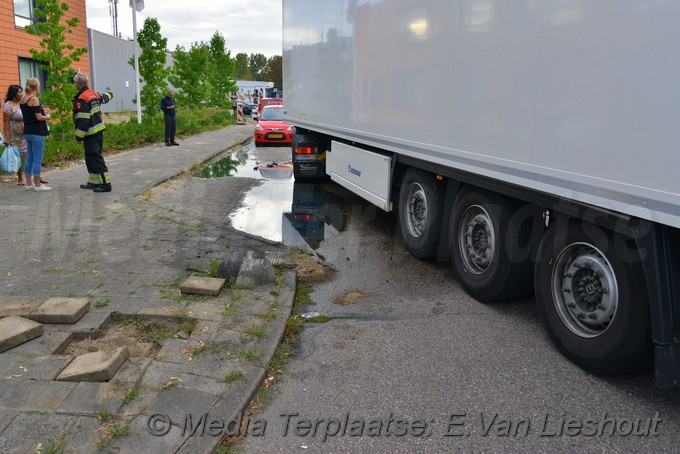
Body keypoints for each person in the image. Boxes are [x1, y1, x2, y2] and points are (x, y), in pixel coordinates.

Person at [73, 72, 113, 192]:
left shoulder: (82, 98)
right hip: (98, 132)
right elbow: (105, 97)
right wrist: (111, 93)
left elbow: (84, 120)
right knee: (90, 158)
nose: (74, 84)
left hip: (90, 134)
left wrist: (78, 137)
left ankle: (106, 184)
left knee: (95, 158)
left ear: (78, 84)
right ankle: (94, 182)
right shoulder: (93, 94)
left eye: (75, 83)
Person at [20, 77, 51, 191]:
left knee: (30, 158)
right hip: (36, 132)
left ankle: (28, 183)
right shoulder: (34, 99)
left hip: (27, 132)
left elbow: (28, 115)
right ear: (36, 87)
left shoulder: (23, 99)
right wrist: (47, 116)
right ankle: (38, 185)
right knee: (38, 159)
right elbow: (38, 117)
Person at [3, 84, 29, 185]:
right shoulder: (8, 105)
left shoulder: (23, 102)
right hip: (15, 135)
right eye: (19, 92)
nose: (21, 94)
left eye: (22, 91)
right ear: (14, 94)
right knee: (18, 156)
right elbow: (6, 122)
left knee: (29, 155)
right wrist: (7, 138)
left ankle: (31, 176)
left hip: (26, 133)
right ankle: (20, 178)